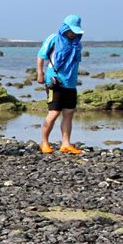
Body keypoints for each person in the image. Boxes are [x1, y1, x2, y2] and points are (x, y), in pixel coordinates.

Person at [36, 14, 84, 154]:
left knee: (69, 112)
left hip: (70, 83)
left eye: (76, 31)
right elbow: (41, 55)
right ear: (65, 28)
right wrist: (40, 73)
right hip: (55, 81)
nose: (73, 33)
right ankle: (44, 142)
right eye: (71, 30)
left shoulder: (77, 43)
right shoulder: (54, 39)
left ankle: (66, 144)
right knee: (54, 113)